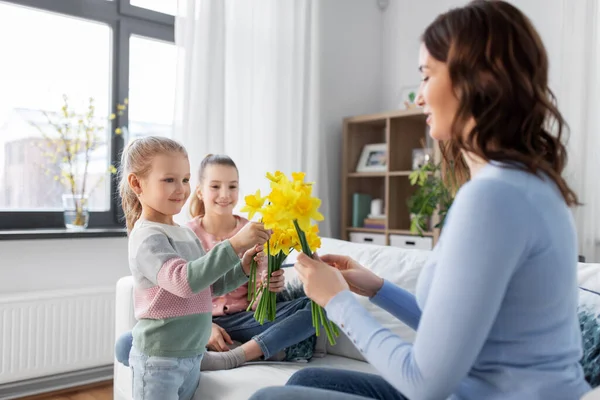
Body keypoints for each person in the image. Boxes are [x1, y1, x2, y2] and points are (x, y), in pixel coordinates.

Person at [249, 1, 592, 399]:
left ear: (476, 80)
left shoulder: (494, 198)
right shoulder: (524, 184)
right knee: (305, 381)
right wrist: (376, 288)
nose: (419, 98)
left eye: (427, 76)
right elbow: (455, 334)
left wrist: (336, 300)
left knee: (269, 398)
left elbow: (425, 383)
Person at [115, 153, 317, 372]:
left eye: (232, 186)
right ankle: (257, 349)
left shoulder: (254, 231)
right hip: (194, 322)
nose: (225, 194)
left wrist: (268, 288)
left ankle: (242, 353)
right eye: (215, 186)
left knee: (317, 306)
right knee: (126, 344)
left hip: (244, 320)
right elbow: (184, 284)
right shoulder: (185, 234)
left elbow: (259, 300)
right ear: (200, 191)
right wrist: (207, 326)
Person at [119, 137, 270, 400]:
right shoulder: (147, 237)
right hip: (159, 359)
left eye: (185, 179)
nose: (181, 189)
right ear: (136, 184)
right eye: (169, 180)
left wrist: (243, 268)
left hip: (191, 355)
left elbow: (207, 286)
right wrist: (234, 244)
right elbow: (183, 281)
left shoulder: (184, 235)